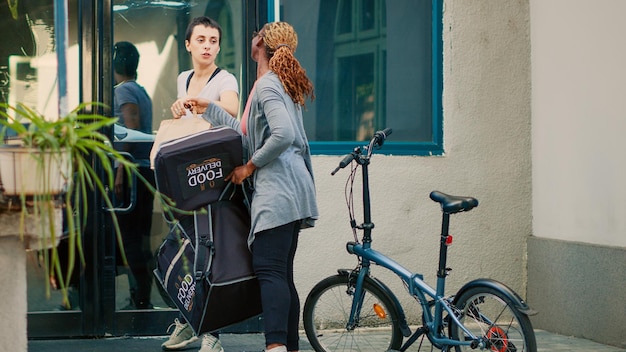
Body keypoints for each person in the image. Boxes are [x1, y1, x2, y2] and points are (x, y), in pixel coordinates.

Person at [184, 21, 318, 352]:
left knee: (269, 270)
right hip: (292, 190)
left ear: (260, 43)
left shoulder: (269, 85)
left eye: (255, 34)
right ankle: (287, 346)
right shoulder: (274, 83)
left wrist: (248, 167)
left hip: (279, 191)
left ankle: (275, 347)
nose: (251, 37)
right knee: (281, 274)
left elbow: (283, 134)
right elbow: (246, 135)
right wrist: (209, 108)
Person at [161, 16, 239, 352]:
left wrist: (206, 105)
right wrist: (179, 107)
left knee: (210, 251)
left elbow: (233, 111)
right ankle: (188, 321)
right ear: (189, 44)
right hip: (185, 177)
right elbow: (185, 123)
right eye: (202, 40)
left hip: (214, 177)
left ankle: (212, 335)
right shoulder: (183, 78)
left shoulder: (225, 79)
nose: (208, 46)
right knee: (187, 249)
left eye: (214, 41)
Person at [112, 41, 156, 310]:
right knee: (139, 237)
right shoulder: (140, 90)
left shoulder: (124, 91)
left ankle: (140, 298)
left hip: (131, 172)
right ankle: (141, 296)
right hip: (143, 172)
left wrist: (119, 172)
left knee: (130, 239)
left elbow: (131, 127)